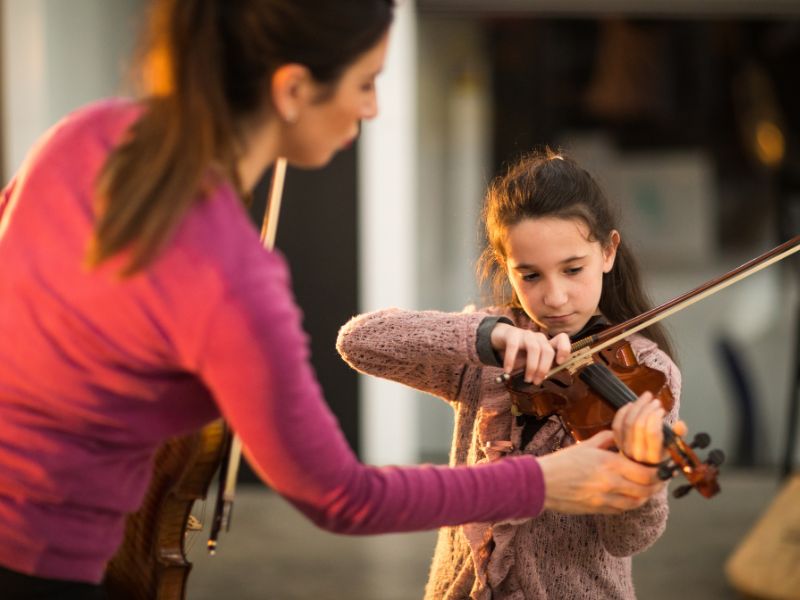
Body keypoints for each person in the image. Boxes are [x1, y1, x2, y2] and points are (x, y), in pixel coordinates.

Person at [0, 1, 669, 597]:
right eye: (366, 82)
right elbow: (341, 496)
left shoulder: (81, 137)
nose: (373, 107)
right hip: (40, 563)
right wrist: (543, 480)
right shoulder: (234, 277)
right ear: (293, 89)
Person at [336, 148, 683, 599]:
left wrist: (644, 473)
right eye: (530, 275)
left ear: (608, 251)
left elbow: (628, 540)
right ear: (506, 269)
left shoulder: (647, 372)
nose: (556, 297)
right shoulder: (486, 354)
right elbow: (360, 343)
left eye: (573, 269)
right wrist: (484, 336)